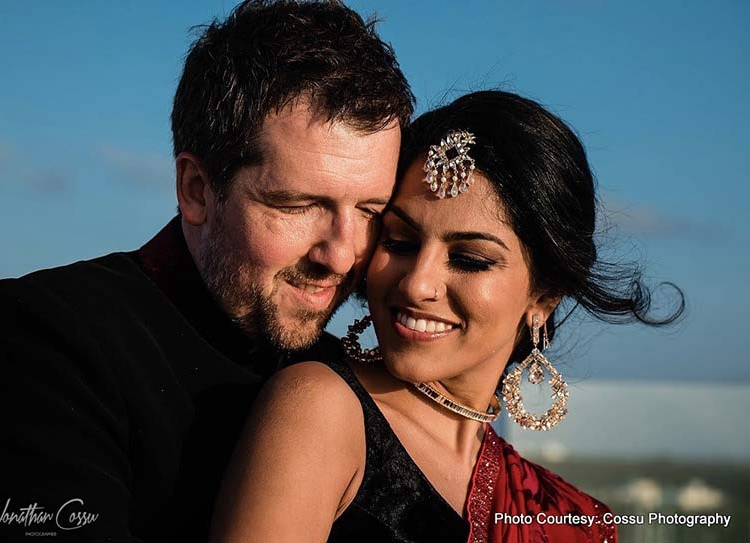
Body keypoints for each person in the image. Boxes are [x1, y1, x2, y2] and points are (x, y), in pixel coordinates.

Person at [0, 1, 413, 540]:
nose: (342, 254)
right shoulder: (41, 338)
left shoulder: (359, 382)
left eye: (370, 211)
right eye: (298, 205)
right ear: (196, 191)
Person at [209, 90, 683, 542]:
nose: (417, 283)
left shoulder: (566, 518)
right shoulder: (320, 408)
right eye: (399, 243)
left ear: (543, 296)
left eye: (470, 259)